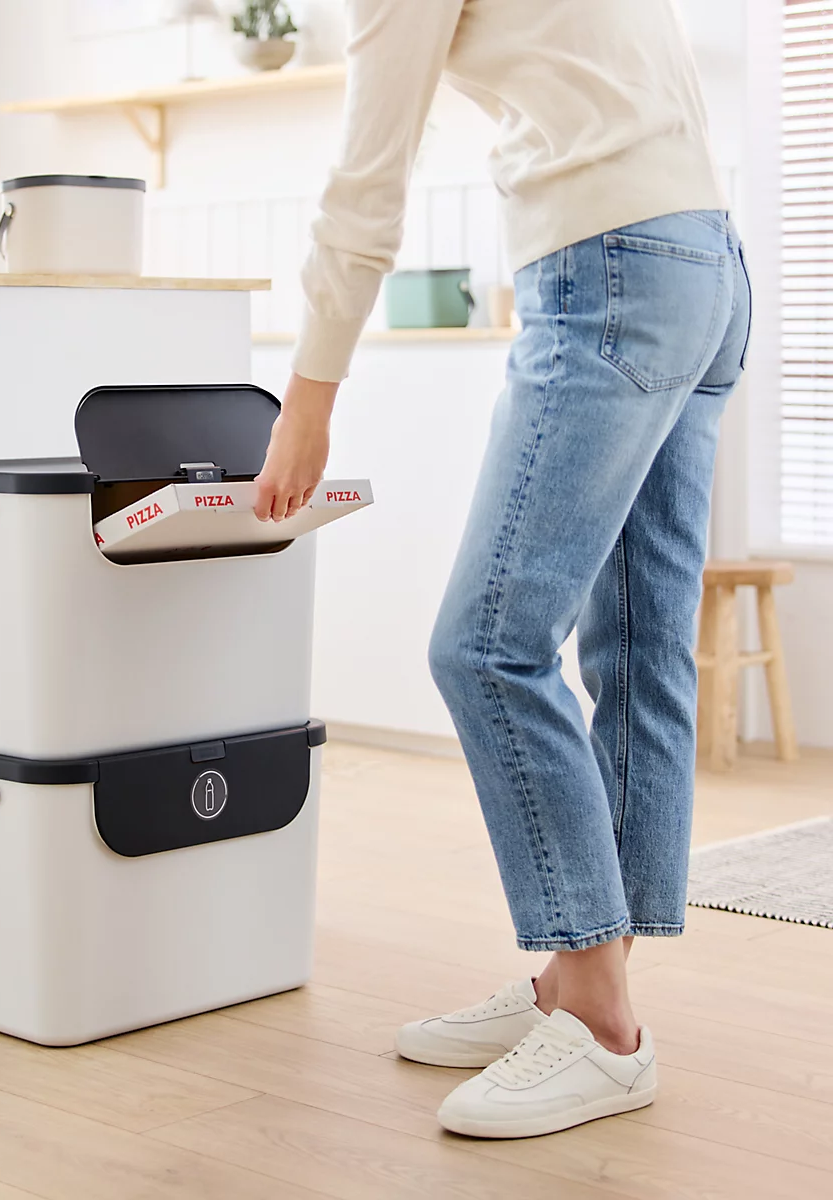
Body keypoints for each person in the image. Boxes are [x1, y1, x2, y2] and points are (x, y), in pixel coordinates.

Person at [253, 0, 750, 1140]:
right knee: (637, 642)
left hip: (613, 266)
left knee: (485, 644)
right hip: (706, 259)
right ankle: (581, 989)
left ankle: (606, 1029)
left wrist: (309, 396)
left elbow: (367, 174)